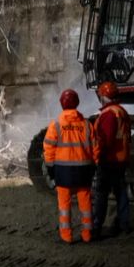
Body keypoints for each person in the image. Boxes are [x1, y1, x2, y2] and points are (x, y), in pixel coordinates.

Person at [42, 88, 96, 243]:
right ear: (77, 103)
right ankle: (87, 235)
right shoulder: (86, 124)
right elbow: (95, 147)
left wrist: (51, 169)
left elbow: (48, 149)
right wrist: (95, 165)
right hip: (84, 170)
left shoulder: (56, 125)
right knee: (85, 205)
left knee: (64, 206)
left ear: (61, 104)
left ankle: (67, 236)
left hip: (63, 172)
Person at [92, 80, 132, 239]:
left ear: (102, 96)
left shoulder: (108, 114)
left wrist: (97, 157)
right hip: (121, 158)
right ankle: (125, 225)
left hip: (109, 159)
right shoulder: (121, 111)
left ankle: (96, 228)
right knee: (121, 192)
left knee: (101, 194)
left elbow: (105, 140)